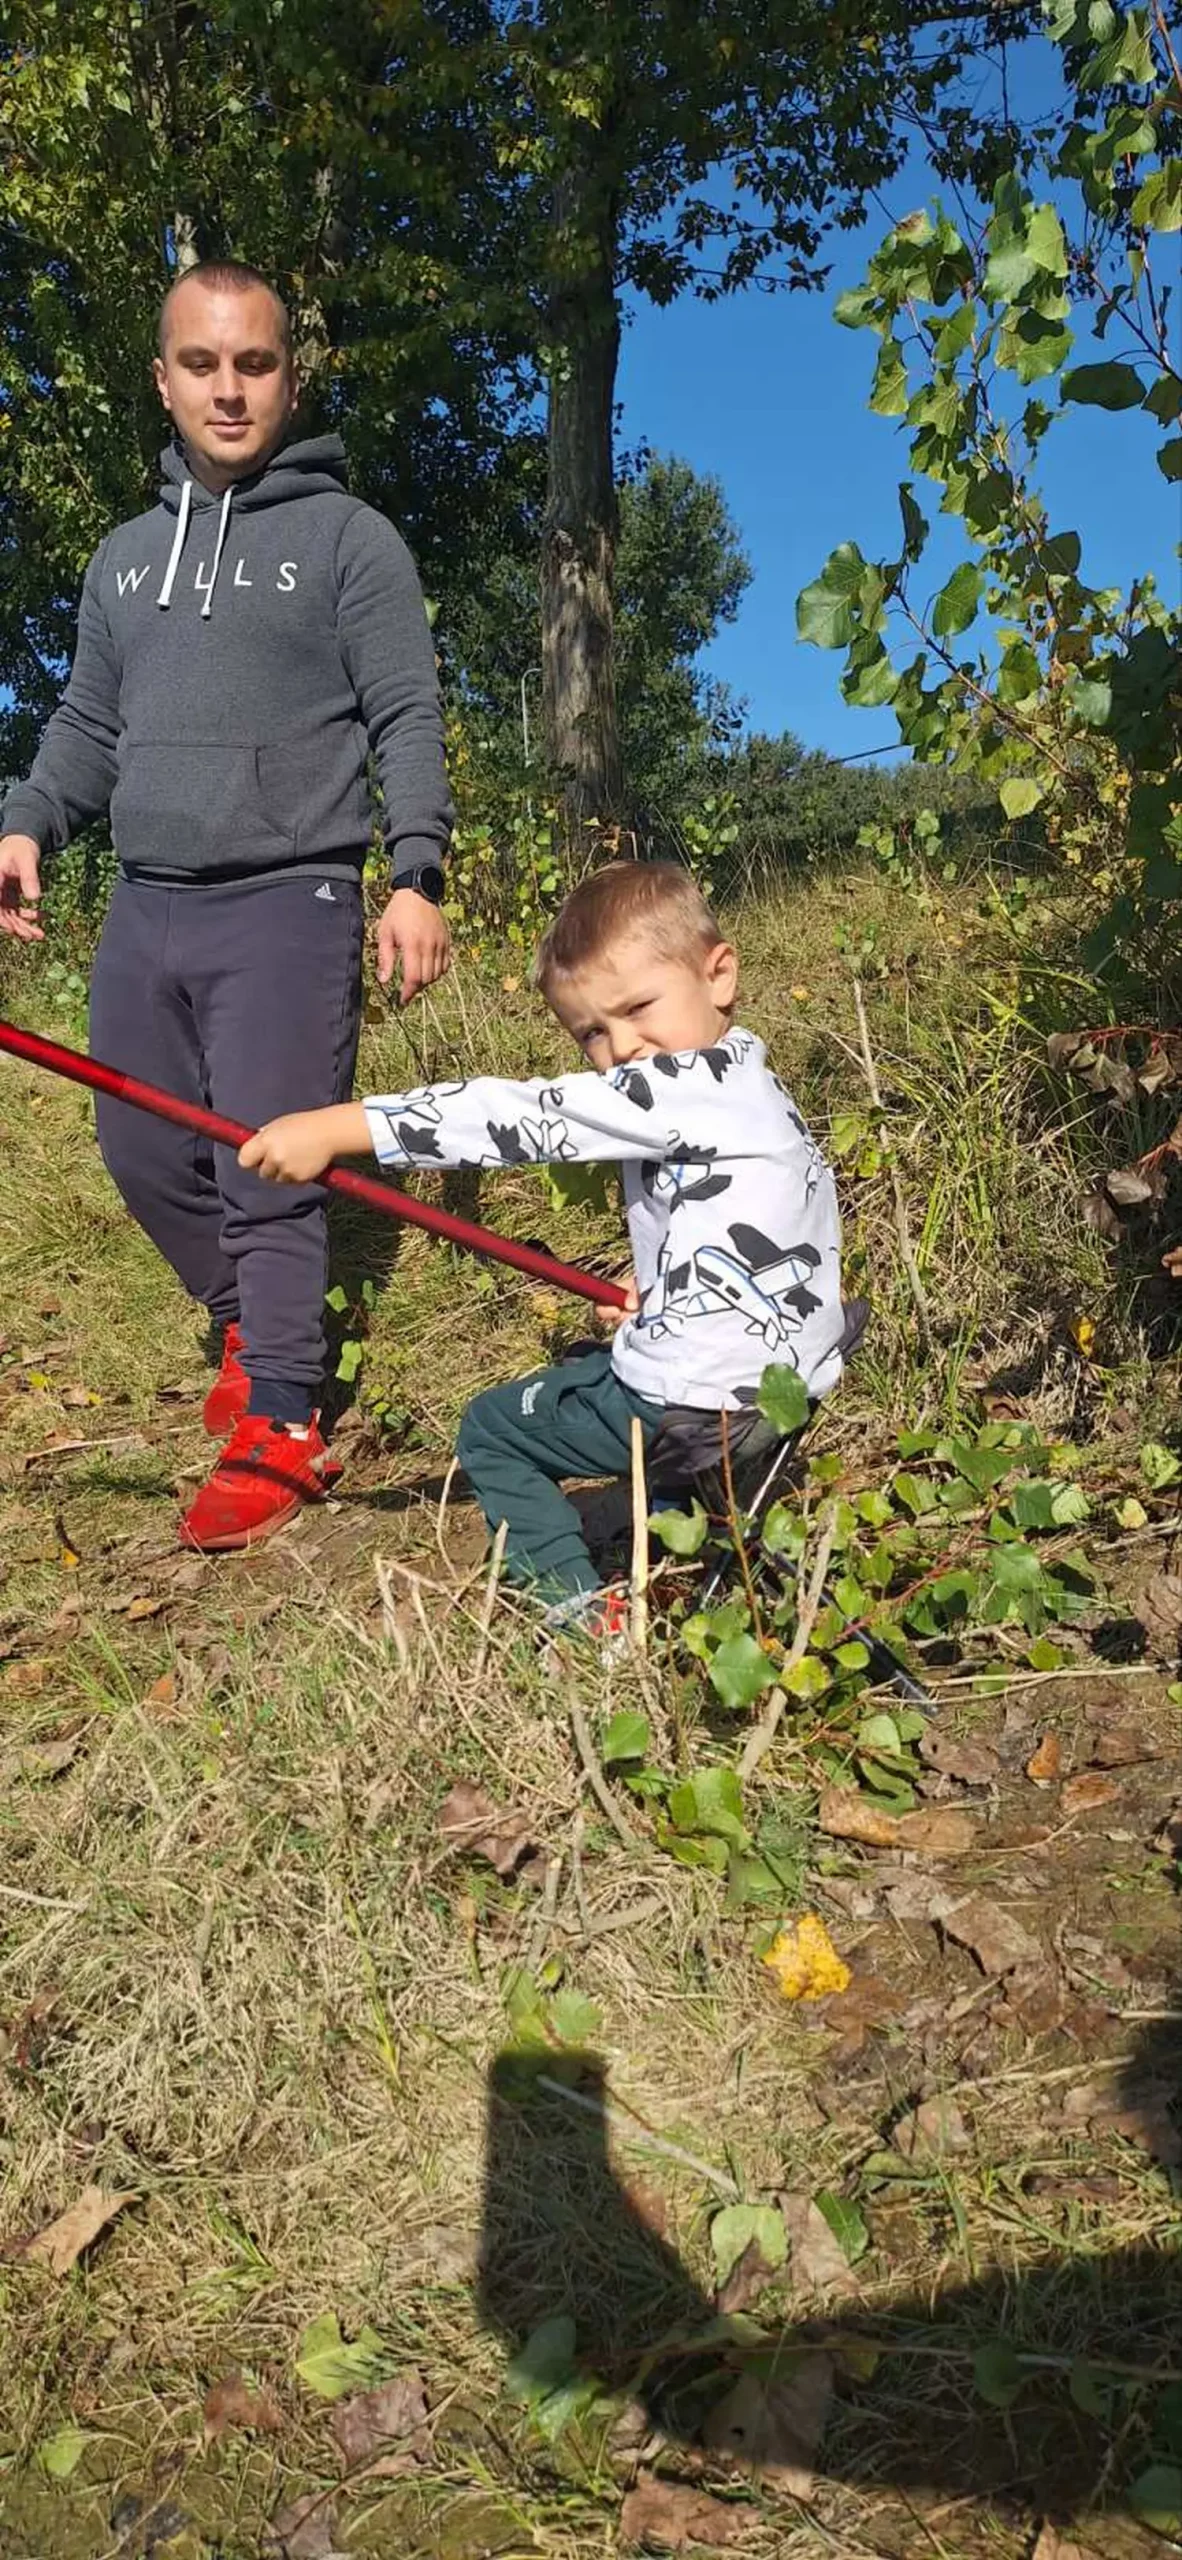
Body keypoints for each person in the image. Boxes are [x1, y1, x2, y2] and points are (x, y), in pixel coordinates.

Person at [0, 260, 452, 1551]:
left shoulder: (347, 539)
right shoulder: (124, 561)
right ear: (163, 378)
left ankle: (288, 1415)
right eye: (201, 364)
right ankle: (260, 1321)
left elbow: (404, 711)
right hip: (148, 901)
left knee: (267, 1161)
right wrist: (30, 821)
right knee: (143, 1150)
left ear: (289, 377)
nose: (229, 388)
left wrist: (411, 872)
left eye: (253, 363)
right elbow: (89, 718)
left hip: (290, 892)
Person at [240, 861, 847, 1635]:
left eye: (638, 1008)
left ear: (717, 973)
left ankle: (583, 1620)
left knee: (492, 1430)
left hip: (699, 1395)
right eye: (592, 1031)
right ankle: (671, 1530)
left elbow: (513, 1116)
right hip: (788, 1380)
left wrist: (339, 1128)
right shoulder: (750, 1080)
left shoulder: (670, 1086)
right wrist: (667, 1291)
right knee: (595, 1367)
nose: (623, 1046)